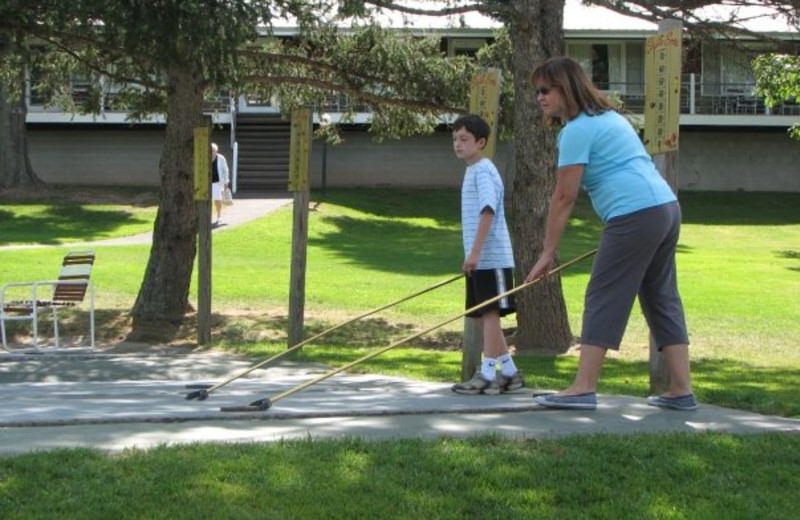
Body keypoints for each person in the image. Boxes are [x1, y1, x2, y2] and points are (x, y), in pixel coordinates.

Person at [524, 56, 696, 411]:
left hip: (635, 214)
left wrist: (547, 253)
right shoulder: (609, 118)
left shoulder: (575, 130)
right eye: (536, 91)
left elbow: (563, 196)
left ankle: (583, 388)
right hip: (665, 207)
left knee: (603, 294)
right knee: (661, 297)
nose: (539, 97)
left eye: (545, 90)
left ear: (566, 88)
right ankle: (681, 390)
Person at [450, 114, 525, 395]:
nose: (458, 144)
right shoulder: (472, 170)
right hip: (480, 258)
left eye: (464, 139)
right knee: (481, 316)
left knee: (490, 314)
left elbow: (488, 209)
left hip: (491, 258)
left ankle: (488, 374)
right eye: (455, 139)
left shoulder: (483, 170)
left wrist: (476, 252)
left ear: (480, 142)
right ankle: (509, 372)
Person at [211, 142, 230, 224]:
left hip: (218, 183)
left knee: (217, 200)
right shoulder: (204, 157)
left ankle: (219, 215)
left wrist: (226, 182)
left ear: (216, 151)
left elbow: (226, 170)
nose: (211, 152)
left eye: (213, 150)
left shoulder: (221, 158)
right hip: (208, 182)